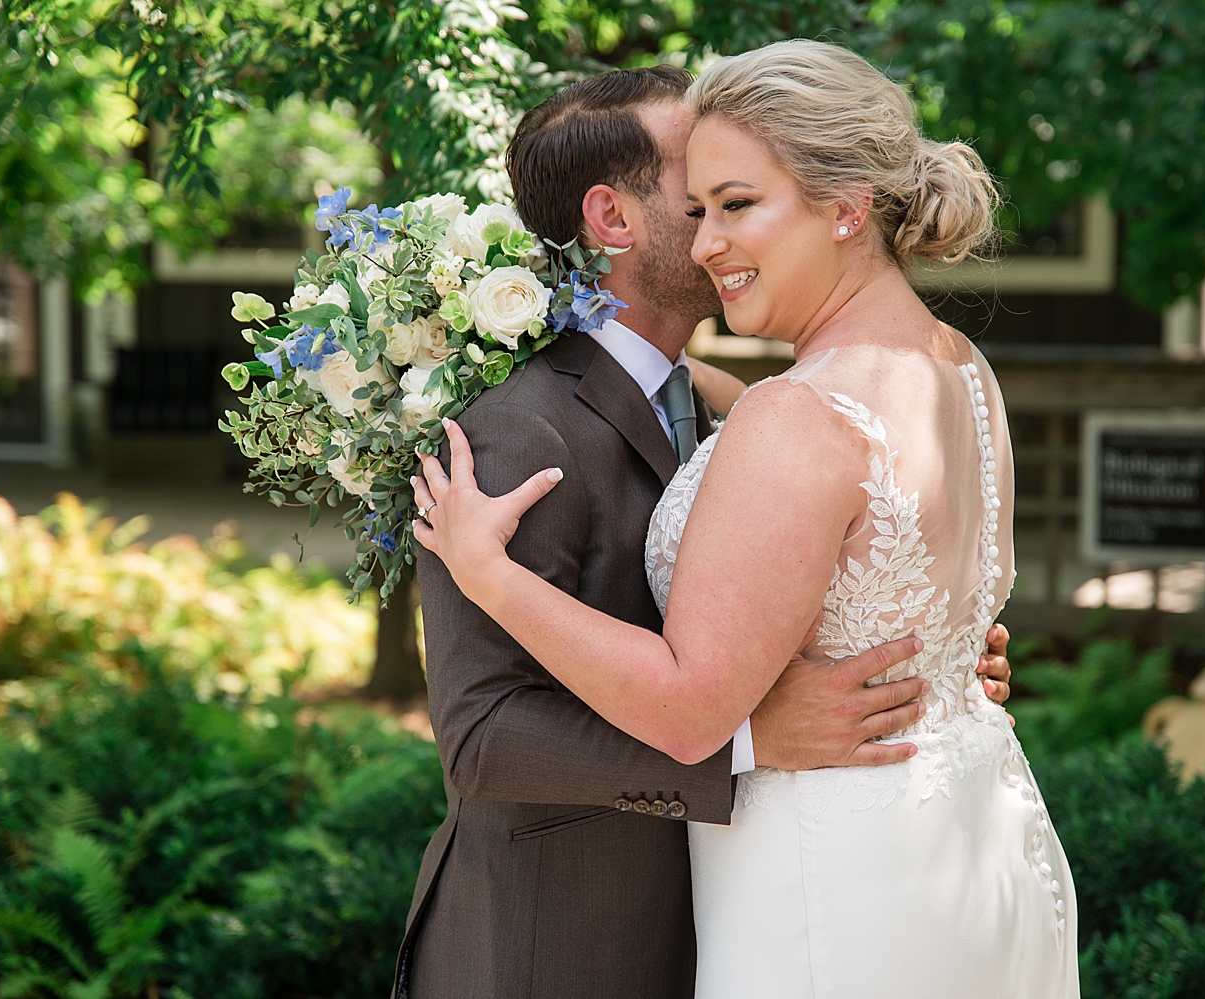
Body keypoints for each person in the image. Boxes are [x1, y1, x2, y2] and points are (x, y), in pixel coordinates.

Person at [412, 41, 1077, 998]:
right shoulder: (954, 364)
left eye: (733, 201)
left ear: (846, 207)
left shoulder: (790, 417)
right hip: (973, 836)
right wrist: (934, 652)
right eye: (697, 201)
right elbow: (481, 733)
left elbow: (692, 696)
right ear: (612, 216)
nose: (709, 232)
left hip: (838, 875)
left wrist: (491, 574)